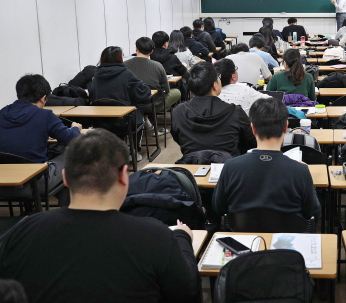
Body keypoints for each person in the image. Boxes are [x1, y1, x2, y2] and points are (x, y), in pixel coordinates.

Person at [0, 129, 200, 303]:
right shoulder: (155, 236)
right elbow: (188, 292)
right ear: (124, 176)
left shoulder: (22, 232)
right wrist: (182, 237)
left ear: (65, 178)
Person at [211, 97, 321, 223]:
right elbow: (313, 213)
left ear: (252, 129)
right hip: (287, 238)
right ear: (286, 127)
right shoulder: (301, 170)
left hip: (243, 238)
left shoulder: (230, 167)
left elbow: (218, 207)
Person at [0, 74, 82, 205]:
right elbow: (74, 141)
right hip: (33, 185)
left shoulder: (2, 113)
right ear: (44, 98)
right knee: (73, 154)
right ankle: (67, 209)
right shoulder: (45, 115)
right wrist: (75, 128)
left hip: (3, 184)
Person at [171, 62, 256, 156]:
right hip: (227, 167)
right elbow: (251, 142)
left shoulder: (178, 112)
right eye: (218, 77)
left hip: (192, 165)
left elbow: (178, 138)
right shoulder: (235, 112)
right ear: (215, 85)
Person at [89, 46, 151, 161]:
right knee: (138, 115)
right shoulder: (126, 74)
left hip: (100, 121)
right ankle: (133, 152)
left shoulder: (96, 75)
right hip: (124, 122)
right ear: (120, 58)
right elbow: (144, 93)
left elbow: (92, 94)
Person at [125, 36, 181, 114]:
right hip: (153, 104)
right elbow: (166, 89)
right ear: (151, 52)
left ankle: (144, 118)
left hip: (131, 105)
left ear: (136, 48)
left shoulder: (125, 65)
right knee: (176, 92)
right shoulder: (158, 65)